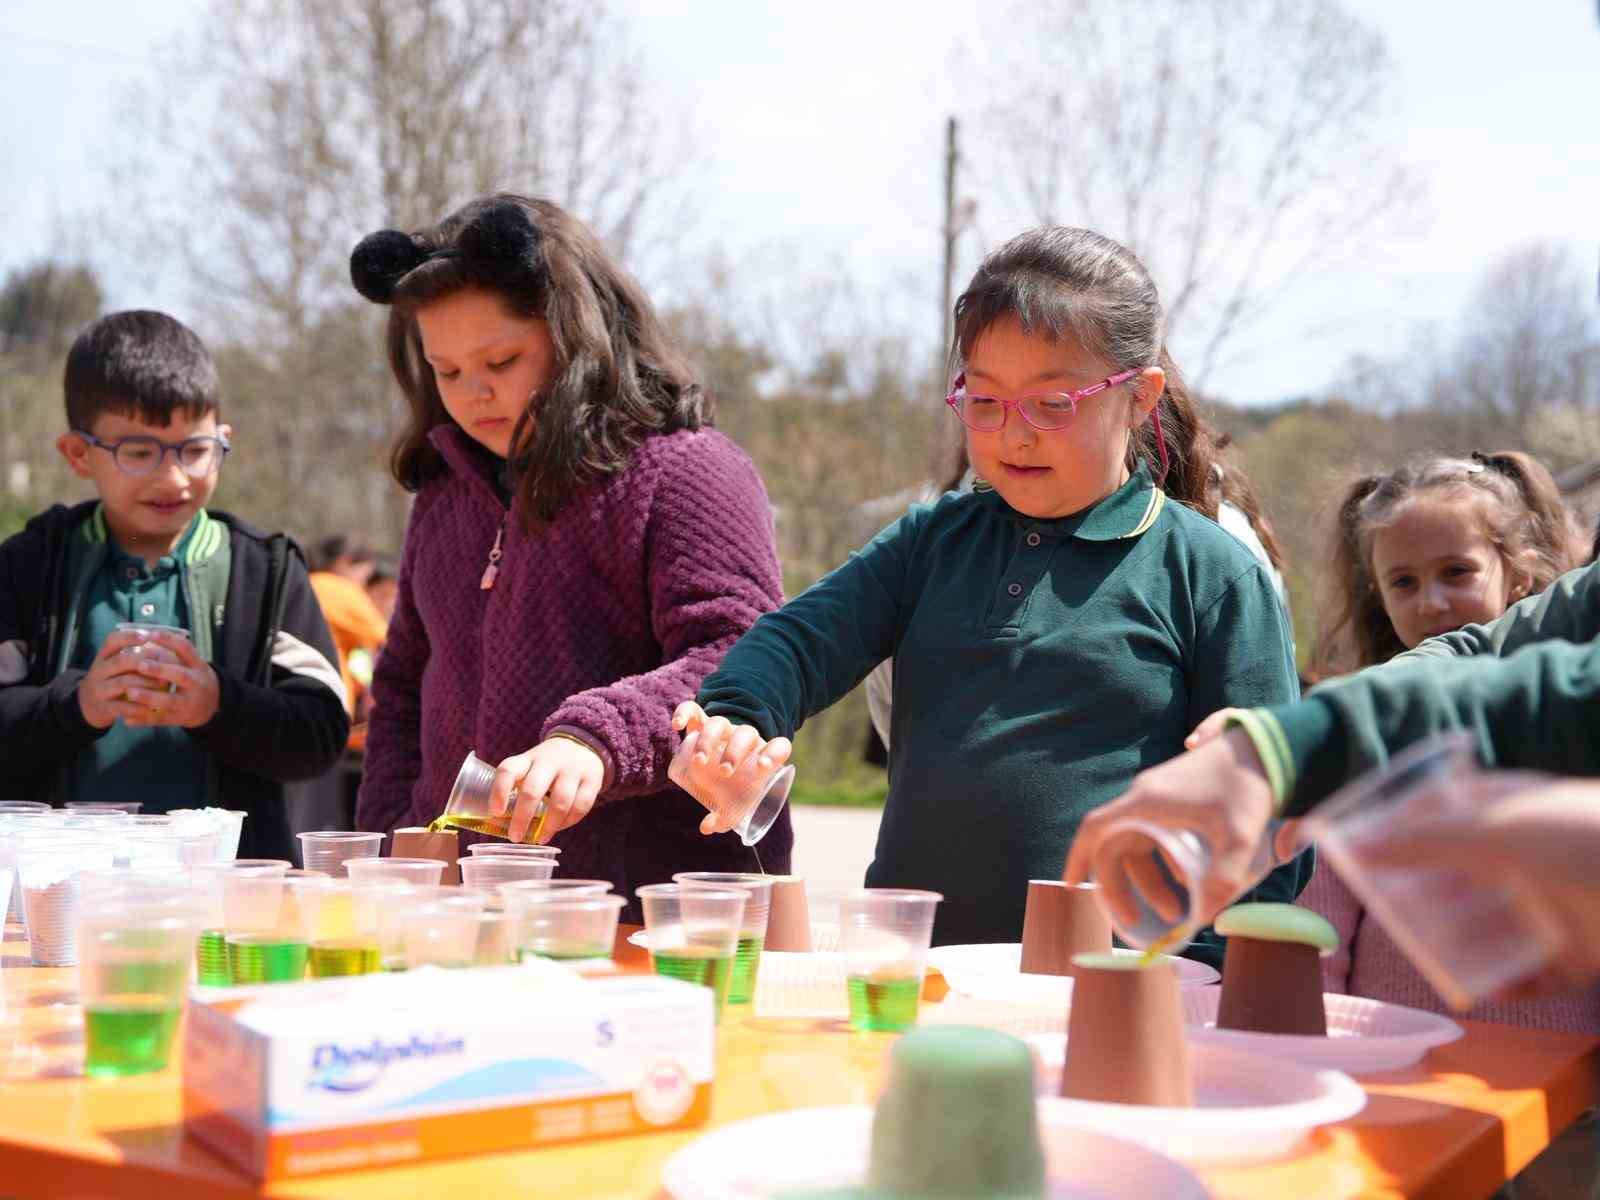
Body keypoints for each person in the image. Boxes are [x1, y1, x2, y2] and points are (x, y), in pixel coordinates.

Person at [674, 227, 1305, 958]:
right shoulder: (929, 544)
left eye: (1053, 403)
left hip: (1116, 987)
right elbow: (793, 642)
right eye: (985, 400)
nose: (1015, 434)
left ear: (1139, 398)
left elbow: (1277, 822)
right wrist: (737, 722)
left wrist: (1204, 971)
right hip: (915, 975)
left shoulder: (1212, 575)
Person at [350, 194, 787, 910]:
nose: (474, 393)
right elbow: (401, 688)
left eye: (501, 359)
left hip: (652, 915)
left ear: (578, 335)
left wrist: (596, 739)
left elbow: (742, 654)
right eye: (447, 371)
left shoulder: (689, 470)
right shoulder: (443, 497)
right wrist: (391, 842)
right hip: (458, 915)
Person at [0, 311, 348, 858]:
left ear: (222, 441)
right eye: (138, 453)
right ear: (78, 454)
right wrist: (77, 705)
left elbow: (322, 734)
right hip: (58, 899)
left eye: (194, 449)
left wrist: (218, 706)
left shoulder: (264, 572)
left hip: (228, 897)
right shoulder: (28, 566)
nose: (174, 478)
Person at [1289, 451, 1591, 1030]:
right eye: (1404, 581)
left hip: (1562, 1083)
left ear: (1519, 573)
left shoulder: (1568, 724)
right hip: (1395, 1064)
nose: (1431, 601)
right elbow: (1319, 926)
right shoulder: (1366, 733)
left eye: (1457, 572)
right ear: (1379, 594)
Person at [306, 535, 389, 718]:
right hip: (326, 703)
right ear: (346, 562)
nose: (364, 584)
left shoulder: (305, 583)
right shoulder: (341, 589)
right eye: (365, 575)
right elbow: (391, 642)